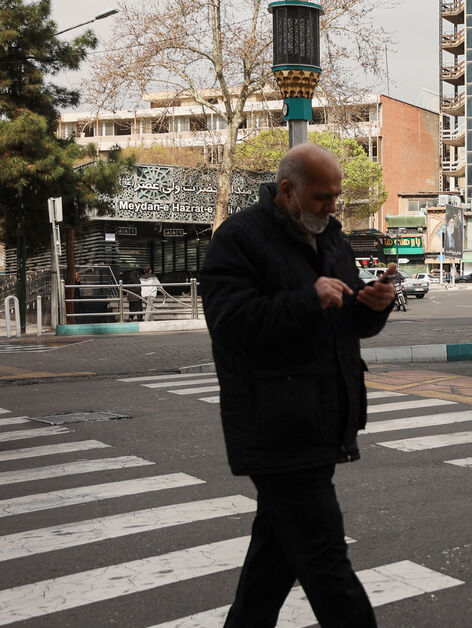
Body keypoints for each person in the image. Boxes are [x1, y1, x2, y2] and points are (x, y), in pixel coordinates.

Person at [199, 143, 397, 627]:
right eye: (321, 198)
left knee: (273, 560)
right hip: (276, 427)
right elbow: (230, 324)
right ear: (287, 190)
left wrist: (374, 304)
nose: (331, 207)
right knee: (327, 563)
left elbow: (349, 323)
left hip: (321, 419)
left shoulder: (332, 240)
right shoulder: (239, 238)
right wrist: (308, 298)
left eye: (336, 197)